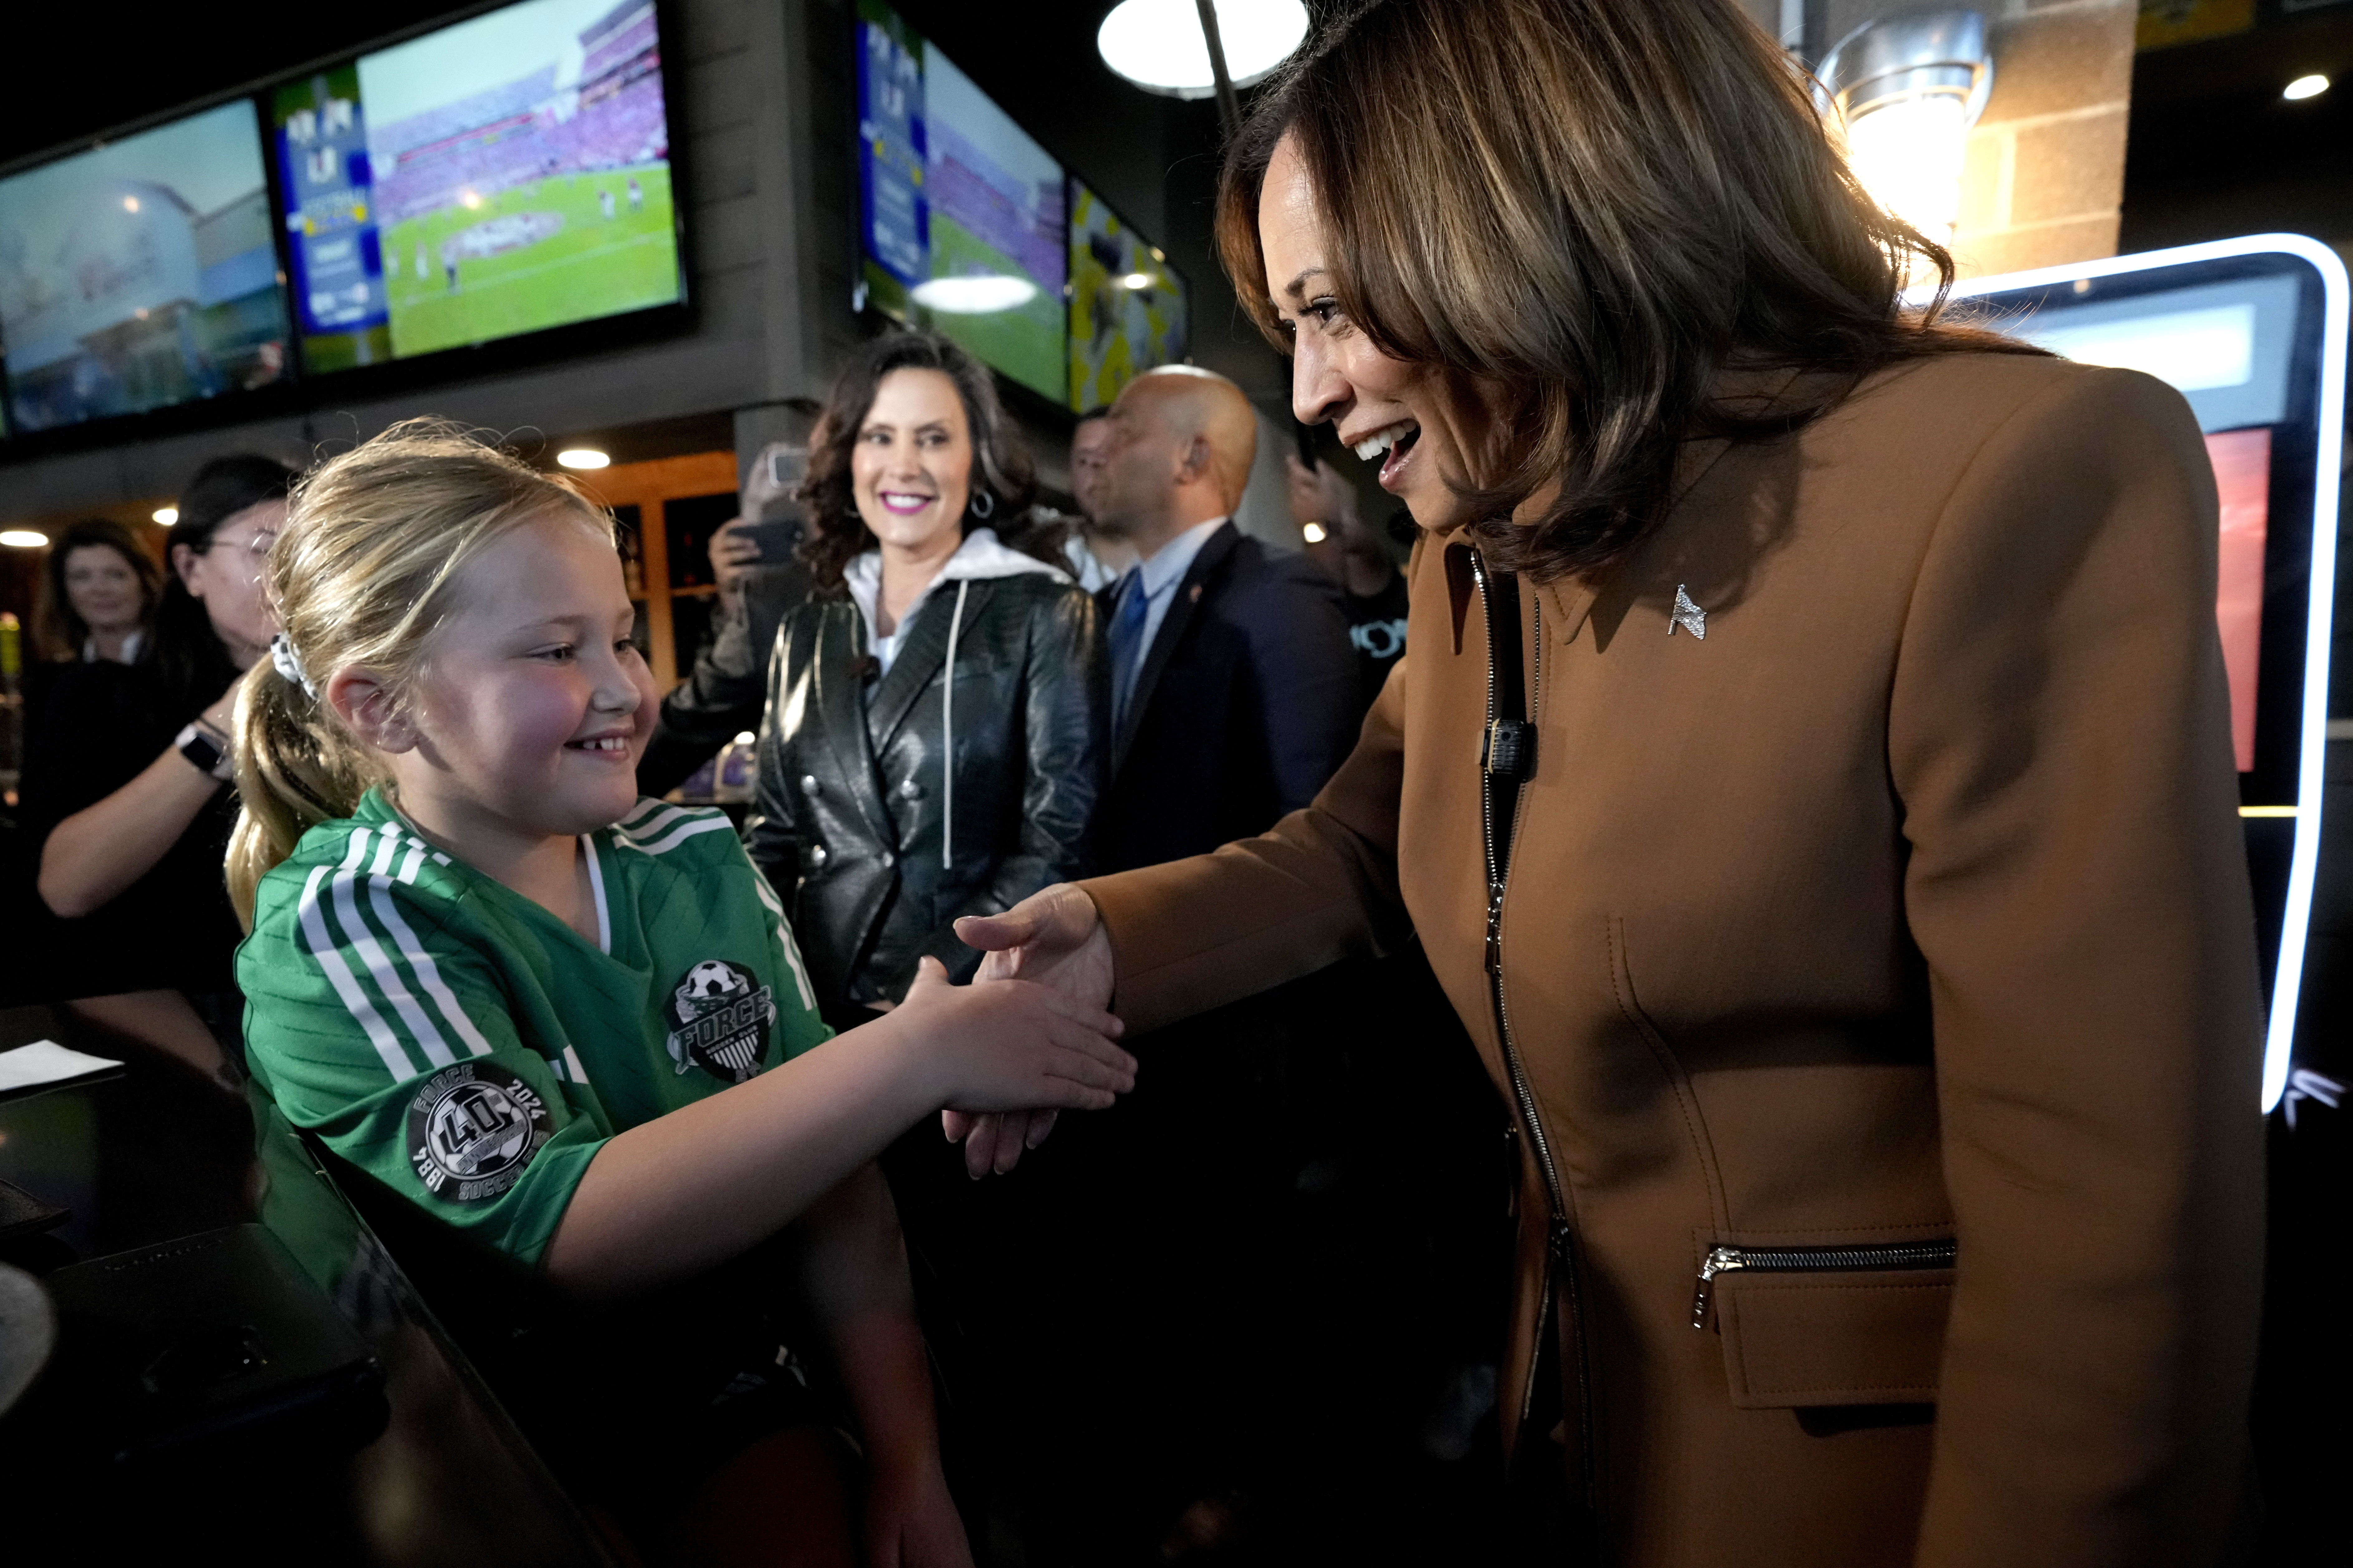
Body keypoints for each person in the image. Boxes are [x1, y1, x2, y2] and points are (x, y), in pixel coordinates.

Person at [953, 2, 2266, 1564]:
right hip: (1560, 1438)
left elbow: (2114, 1249)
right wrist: (1103, 942)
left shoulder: (2017, 473)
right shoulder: (1479, 537)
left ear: (1520, 223)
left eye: (1326, 309)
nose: (1302, 392)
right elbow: (1359, 842)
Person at [229, 420, 1134, 1564]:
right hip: (458, 1430)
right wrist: (915, 1054)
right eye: (556, 652)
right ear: (382, 708)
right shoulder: (350, 922)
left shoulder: (692, 858)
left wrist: (908, 1454)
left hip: (704, 1386)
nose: (622, 688)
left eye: (621, 636)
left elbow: (832, 1186)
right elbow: (565, 1236)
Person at [744, 332, 1104, 1021]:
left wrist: (935, 975)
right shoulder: (807, 628)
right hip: (811, 1005)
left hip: (961, 1002)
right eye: (879, 437)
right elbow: (773, 836)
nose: (902, 465)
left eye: (934, 438)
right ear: (849, 458)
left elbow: (1060, 842)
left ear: (978, 460)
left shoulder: (1045, 608)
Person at [18, 456, 293, 998]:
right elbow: (67, 886)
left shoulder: (347, 693)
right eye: (264, 549)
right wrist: (219, 730)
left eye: (311, 551)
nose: (291, 574)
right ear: (190, 569)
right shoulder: (105, 695)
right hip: (185, 1010)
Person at [1085, 366, 1358, 874]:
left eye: (1122, 433)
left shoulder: (1277, 599)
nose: (1096, 454)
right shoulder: (1103, 607)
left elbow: (1310, 826)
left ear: (1191, 457)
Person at [1286, 453, 1408, 716]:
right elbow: (1326, 585)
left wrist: (1318, 523)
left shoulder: (1412, 595)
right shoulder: (1318, 616)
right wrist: (1319, 523)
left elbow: (1365, 553)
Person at [32, 517, 162, 665]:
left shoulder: (183, 665)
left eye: (116, 575)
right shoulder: (57, 674)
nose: (100, 589)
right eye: (82, 577)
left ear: (146, 583)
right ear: (63, 592)